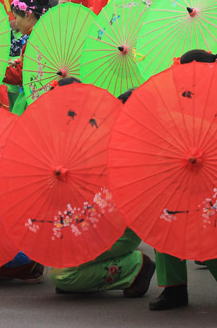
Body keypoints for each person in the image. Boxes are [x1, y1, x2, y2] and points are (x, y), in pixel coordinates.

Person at [147, 50, 217, 312]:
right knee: (163, 218)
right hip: (185, 168)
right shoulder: (187, 93)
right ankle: (173, 288)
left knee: (200, 227)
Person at [50, 87, 154, 298]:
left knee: (63, 276)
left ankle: (135, 266)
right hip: (96, 217)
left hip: (120, 225)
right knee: (60, 265)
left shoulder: (144, 150)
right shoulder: (104, 141)